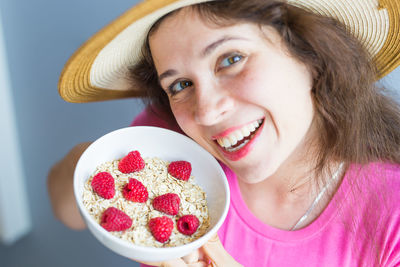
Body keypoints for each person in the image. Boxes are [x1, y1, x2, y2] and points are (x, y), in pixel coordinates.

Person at [48, 0, 400, 266]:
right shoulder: (169, 149)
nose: (206, 110)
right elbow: (64, 207)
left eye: (231, 59)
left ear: (312, 56)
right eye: (181, 84)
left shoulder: (391, 220)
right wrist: (91, 165)